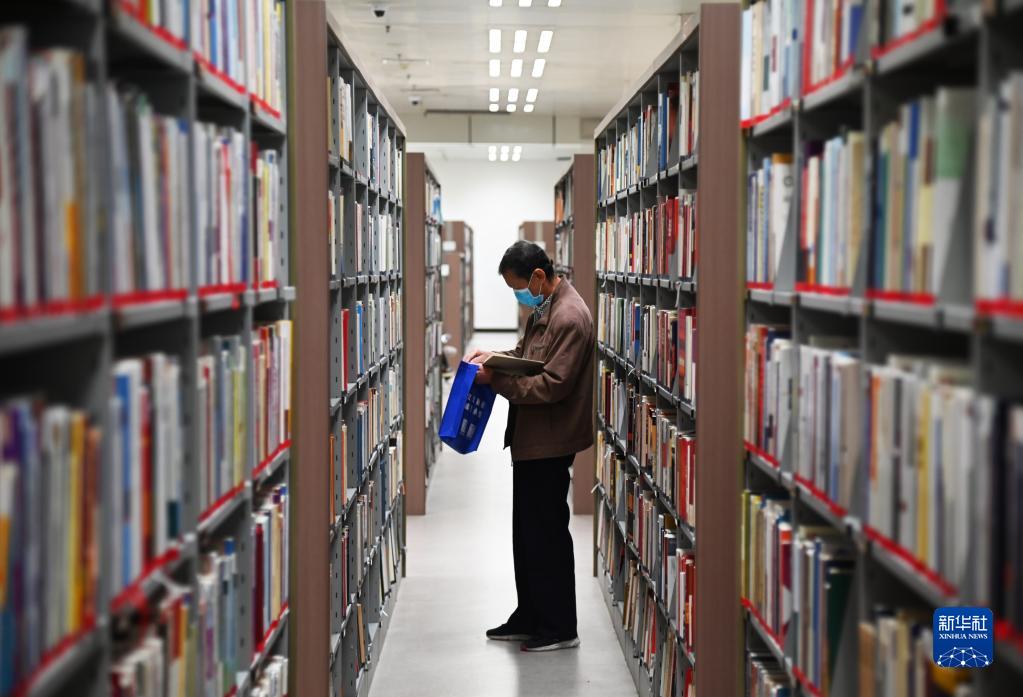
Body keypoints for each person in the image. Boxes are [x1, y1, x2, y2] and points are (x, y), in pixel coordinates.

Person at [464, 240, 594, 652]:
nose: (518, 296)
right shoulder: (545, 309)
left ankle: (559, 627)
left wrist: (496, 381)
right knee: (527, 534)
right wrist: (492, 357)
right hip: (533, 439)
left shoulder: (569, 318)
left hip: (551, 441)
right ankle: (530, 615)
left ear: (538, 276)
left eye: (518, 287)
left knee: (547, 534)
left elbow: (552, 385)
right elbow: (525, 356)